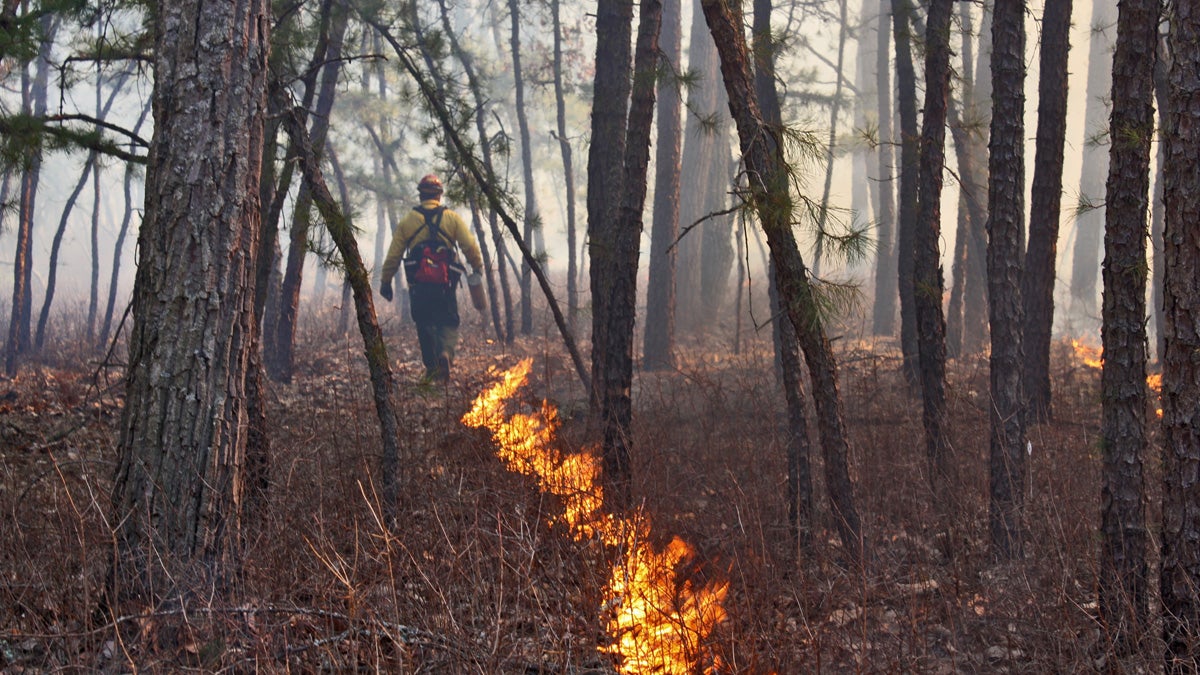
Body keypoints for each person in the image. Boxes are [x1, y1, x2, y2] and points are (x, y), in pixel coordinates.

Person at [379, 174, 484, 383]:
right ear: (439, 194)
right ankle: (446, 353)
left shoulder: (409, 220)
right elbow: (469, 246)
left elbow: (394, 254)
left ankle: (432, 369)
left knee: (424, 323)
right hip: (446, 285)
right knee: (449, 321)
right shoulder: (451, 218)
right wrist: (477, 266)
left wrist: (386, 281)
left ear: (420, 195)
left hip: (419, 286)